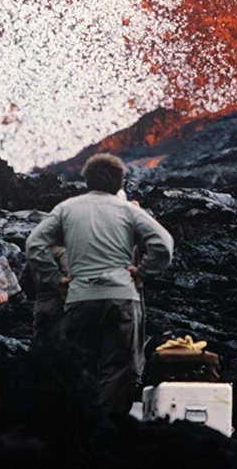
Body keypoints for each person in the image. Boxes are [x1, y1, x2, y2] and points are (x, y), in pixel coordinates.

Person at [26, 153, 174, 416]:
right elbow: (164, 245)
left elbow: (35, 245)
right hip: (121, 297)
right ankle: (106, 425)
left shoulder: (66, 209)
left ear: (87, 181)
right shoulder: (128, 210)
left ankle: (77, 425)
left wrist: (55, 278)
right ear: (120, 183)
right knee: (119, 369)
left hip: (80, 298)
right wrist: (142, 271)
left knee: (80, 365)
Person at [19, 245, 69, 348]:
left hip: (40, 307)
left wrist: (35, 297)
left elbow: (24, 281)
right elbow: (69, 278)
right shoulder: (63, 253)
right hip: (59, 308)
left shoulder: (35, 255)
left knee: (41, 348)